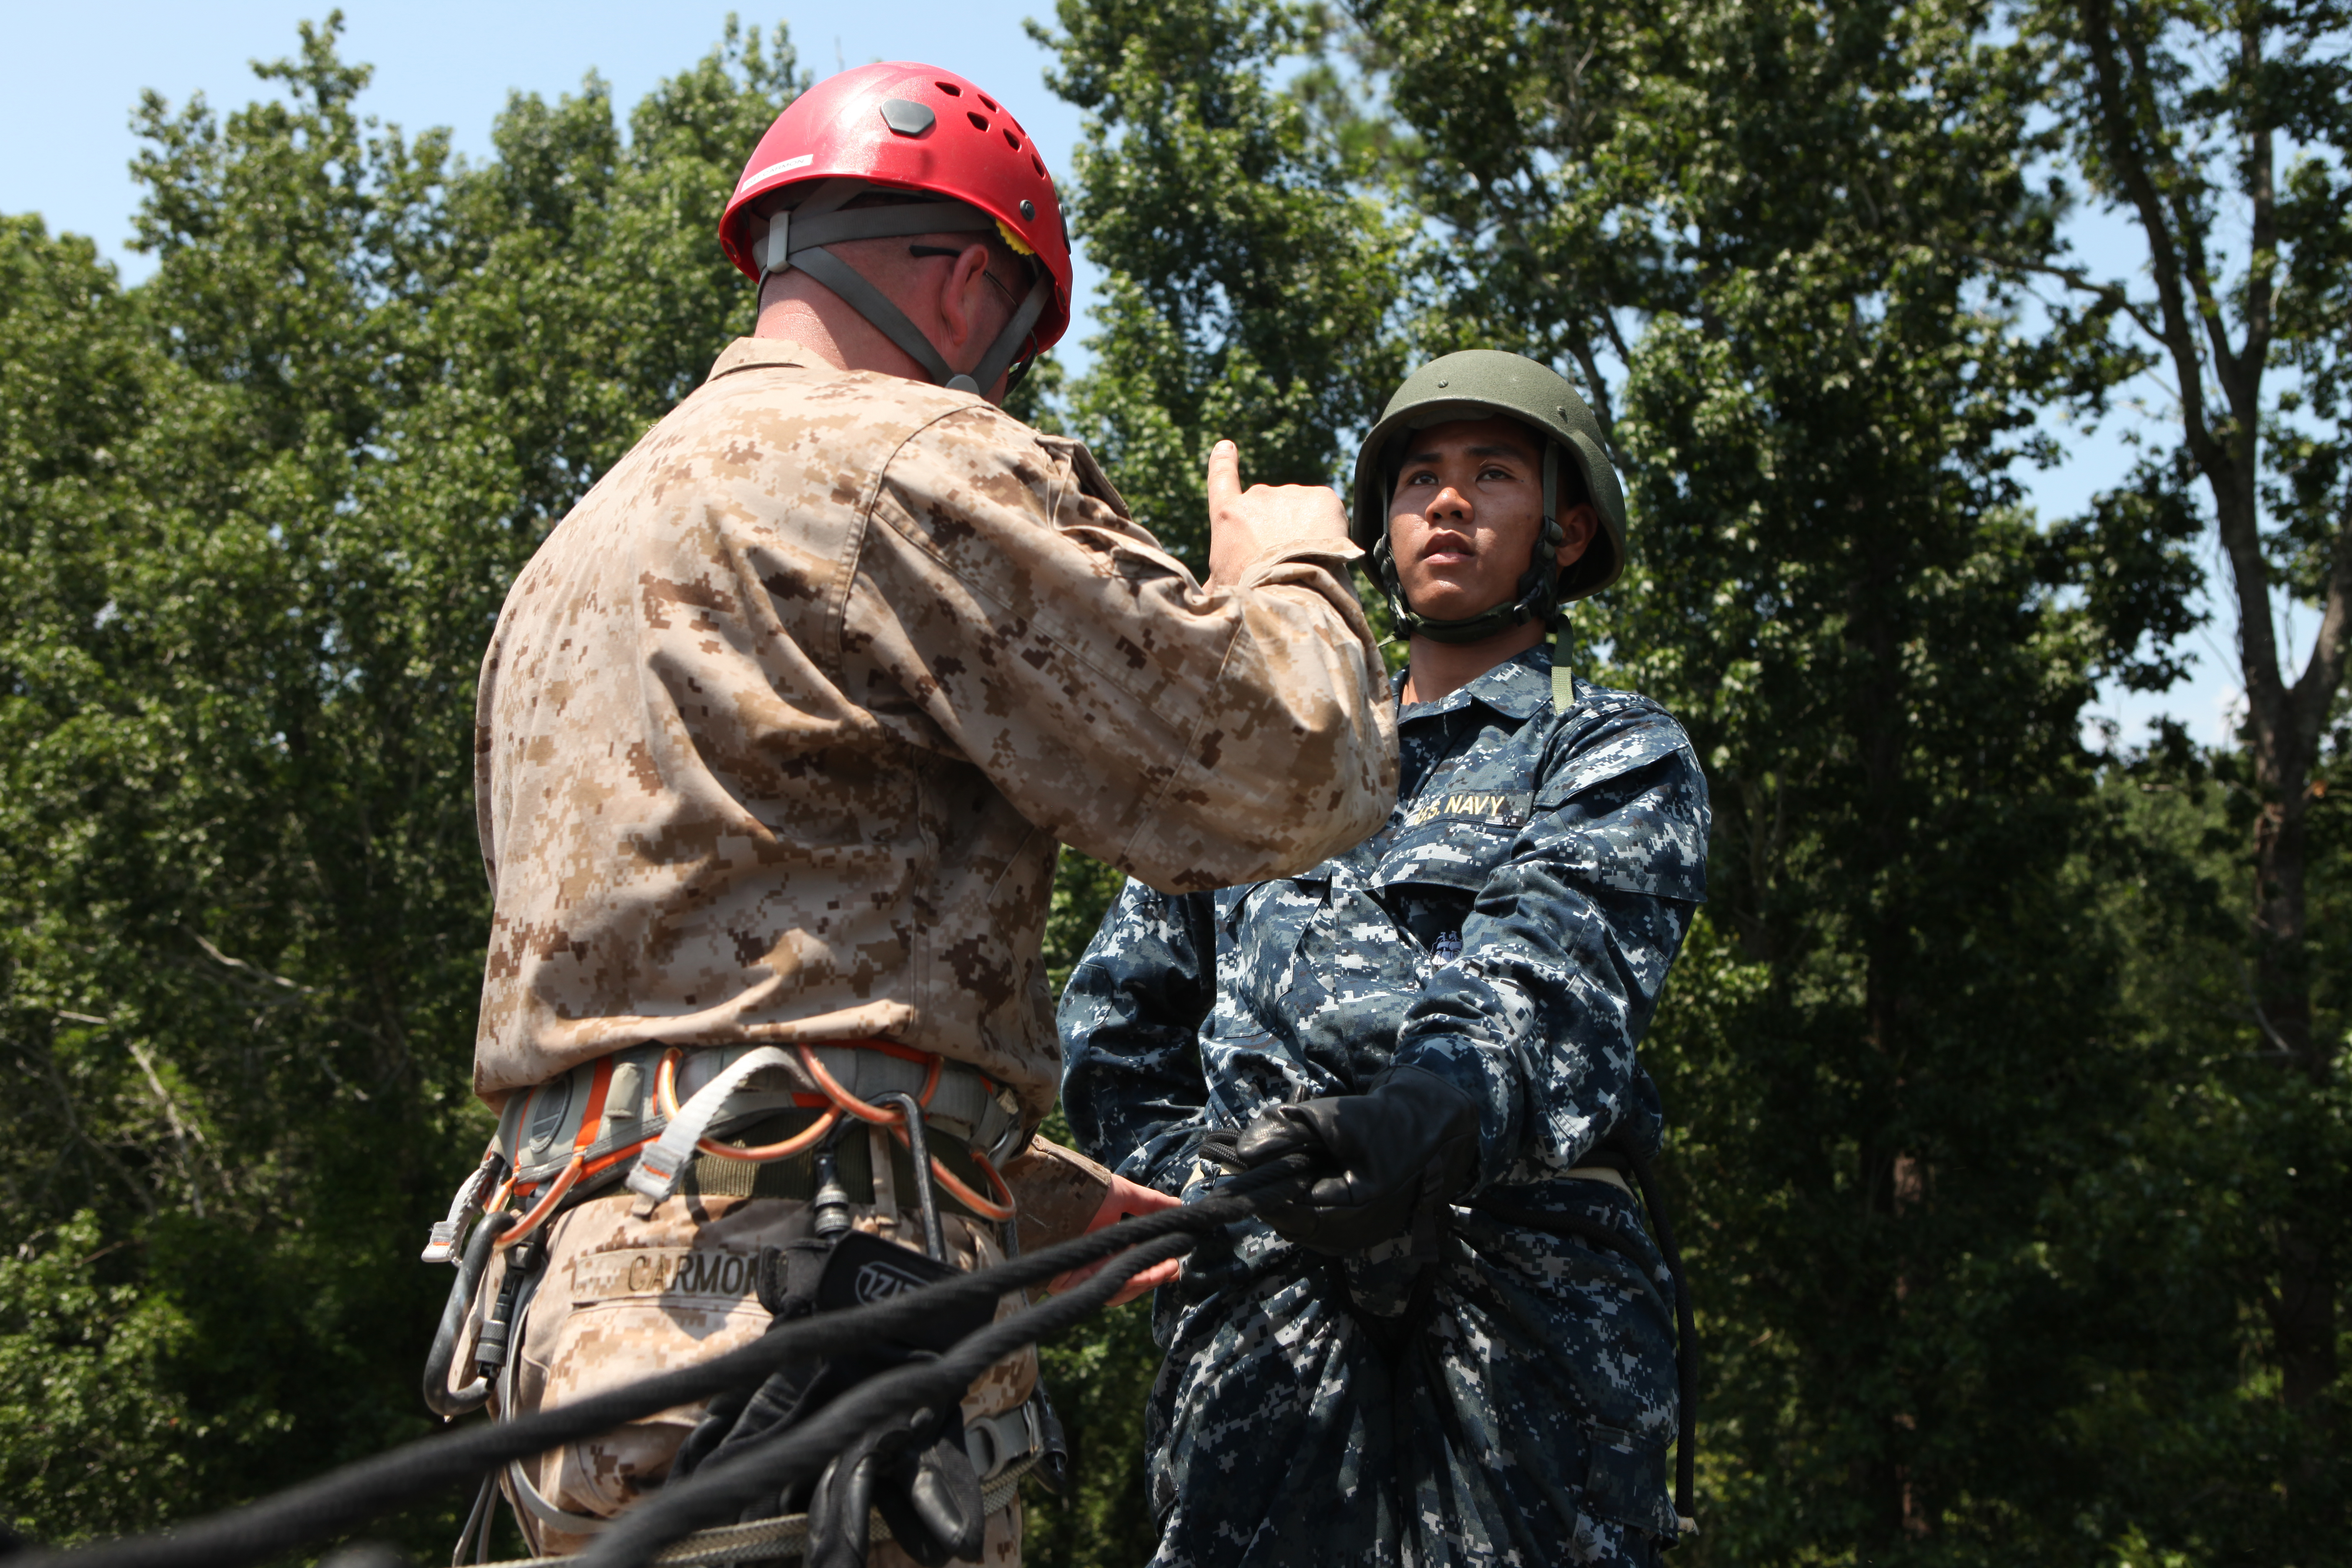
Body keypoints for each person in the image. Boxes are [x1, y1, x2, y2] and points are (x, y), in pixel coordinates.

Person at [438, 60, 1398, 1568]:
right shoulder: (905, 460)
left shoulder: (576, 549)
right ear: (965, 292)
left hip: (582, 1323)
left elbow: (701, 964)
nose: (1006, 387)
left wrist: (993, 1174)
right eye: (1016, 344)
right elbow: (1285, 770)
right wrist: (1290, 572)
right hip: (800, 1312)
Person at [1058, 350, 1710, 1567]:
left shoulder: (1609, 746)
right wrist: (1219, 1199)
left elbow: (1559, 964)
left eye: (1493, 474)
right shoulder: (1272, 761)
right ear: (1380, 525)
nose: (1449, 503)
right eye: (1420, 479)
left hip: (1527, 1308)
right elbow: (1118, 1031)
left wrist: (1424, 1114)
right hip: (1266, 1324)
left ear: (1564, 533)